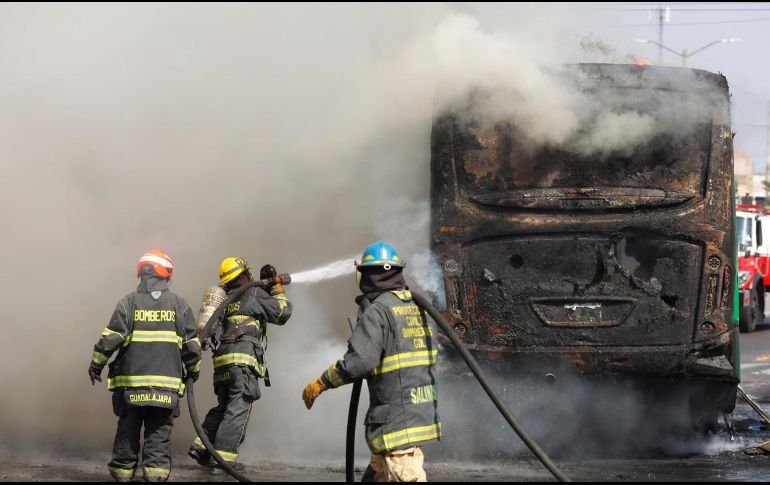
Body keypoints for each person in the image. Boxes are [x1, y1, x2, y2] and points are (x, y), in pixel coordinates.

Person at [302, 242, 441, 482]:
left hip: (396, 418)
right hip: (418, 408)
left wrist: (322, 382)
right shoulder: (417, 307)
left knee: (404, 474)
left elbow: (359, 362)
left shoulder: (378, 311)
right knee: (378, 473)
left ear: (366, 274)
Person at [88, 249, 203, 482]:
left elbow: (110, 339)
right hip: (165, 391)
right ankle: (155, 478)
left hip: (131, 389)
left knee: (127, 435)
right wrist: (194, 371)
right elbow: (192, 347)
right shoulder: (180, 306)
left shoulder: (128, 303)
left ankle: (122, 475)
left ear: (141, 273)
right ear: (166, 274)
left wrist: (96, 365)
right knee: (158, 438)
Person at [188, 258, 292, 473]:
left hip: (222, 361)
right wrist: (277, 288)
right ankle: (224, 460)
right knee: (238, 407)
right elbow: (283, 313)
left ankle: (202, 447)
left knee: (225, 405)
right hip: (242, 359)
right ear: (243, 275)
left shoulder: (225, 300)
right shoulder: (253, 293)